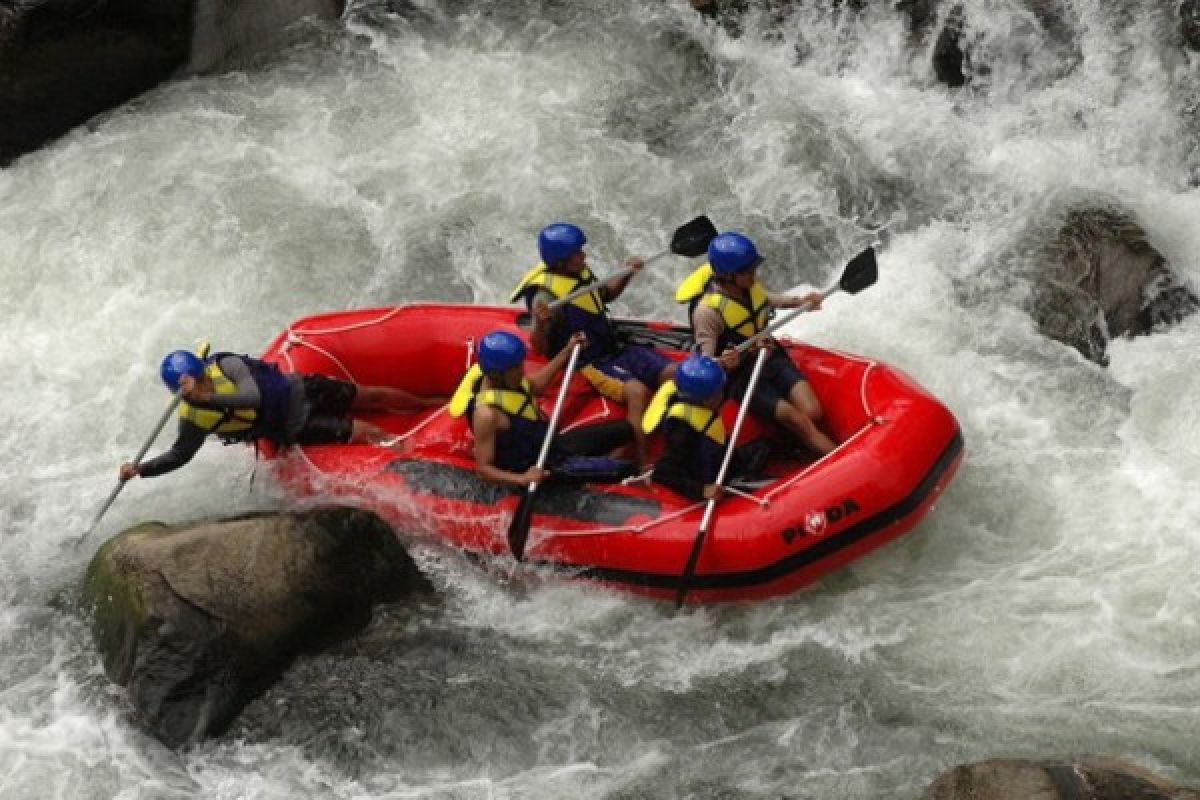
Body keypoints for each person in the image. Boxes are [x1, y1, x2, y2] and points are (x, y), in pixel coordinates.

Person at [119, 349, 441, 480]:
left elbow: (253, 396)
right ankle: (422, 455)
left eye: (202, 376)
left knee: (371, 395)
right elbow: (180, 455)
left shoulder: (224, 363)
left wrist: (206, 395)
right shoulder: (193, 417)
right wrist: (141, 469)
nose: (204, 382)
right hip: (292, 424)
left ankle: (429, 402)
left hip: (299, 388)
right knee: (367, 431)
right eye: (198, 382)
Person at [511, 222, 676, 469]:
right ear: (560, 262)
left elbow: (605, 295)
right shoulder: (545, 297)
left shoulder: (579, 271)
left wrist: (626, 274)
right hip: (588, 361)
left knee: (674, 373)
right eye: (577, 253)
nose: (584, 256)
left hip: (615, 347)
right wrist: (541, 324)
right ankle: (642, 461)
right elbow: (539, 347)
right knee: (637, 392)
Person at [675, 231, 836, 456]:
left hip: (770, 357)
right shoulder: (707, 312)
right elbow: (705, 364)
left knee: (813, 412)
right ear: (728, 275)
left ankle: (791, 441)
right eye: (746, 270)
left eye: (753, 267)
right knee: (798, 420)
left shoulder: (748, 285)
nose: (753, 274)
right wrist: (724, 362)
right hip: (743, 375)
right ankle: (837, 458)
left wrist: (802, 302)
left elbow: (769, 299)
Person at [447, 330, 634, 489]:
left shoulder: (509, 380)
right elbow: (483, 469)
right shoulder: (486, 414)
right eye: (516, 368)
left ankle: (590, 475)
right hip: (544, 466)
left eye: (520, 364)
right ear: (496, 375)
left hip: (552, 444)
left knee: (626, 429)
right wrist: (523, 479)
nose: (522, 371)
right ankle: (590, 483)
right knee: (626, 469)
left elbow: (536, 385)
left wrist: (567, 351)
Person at [645, 354, 770, 501]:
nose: (722, 395)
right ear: (705, 400)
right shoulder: (681, 428)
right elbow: (663, 473)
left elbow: (727, 388)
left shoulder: (697, 397)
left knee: (766, 444)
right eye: (718, 393)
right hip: (710, 475)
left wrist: (737, 364)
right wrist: (701, 490)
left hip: (724, 457)